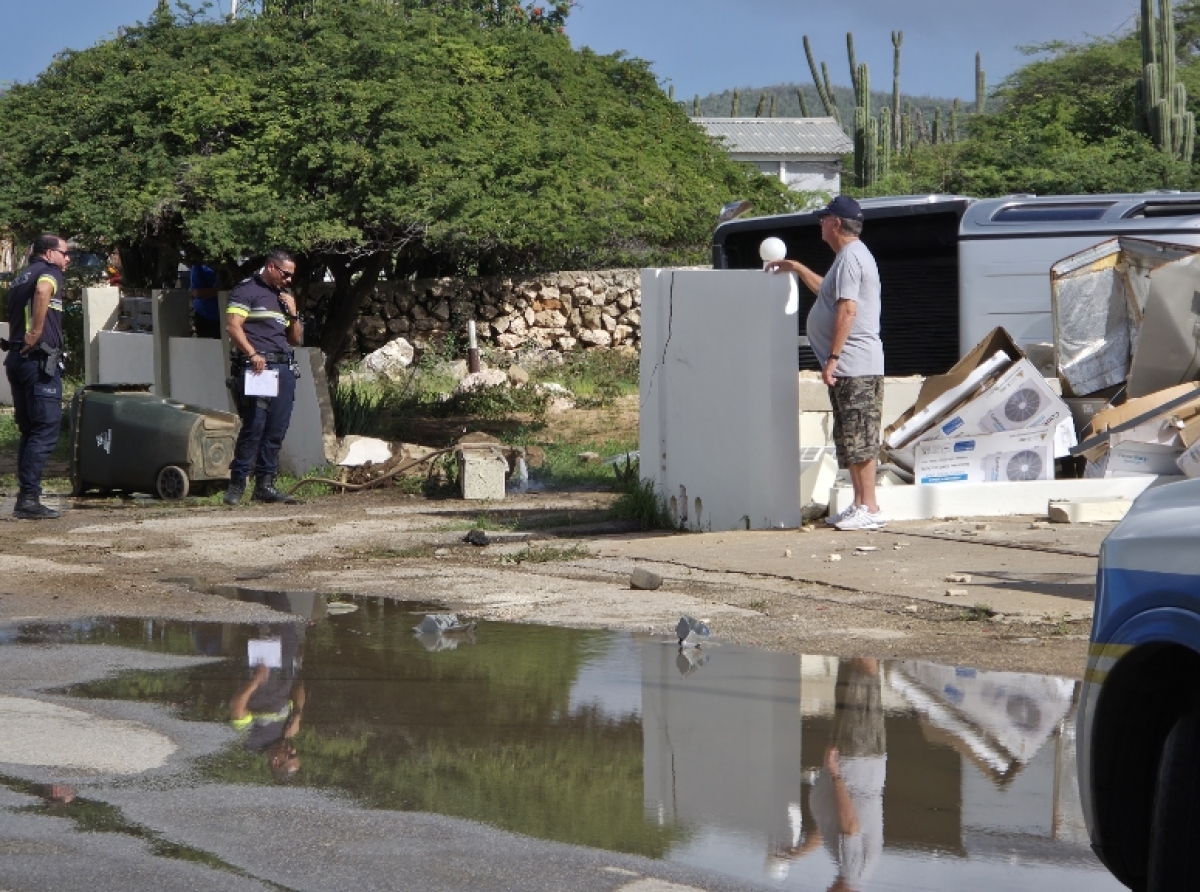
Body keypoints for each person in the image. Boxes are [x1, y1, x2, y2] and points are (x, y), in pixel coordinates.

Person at [766, 195, 885, 531]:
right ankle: (860, 503)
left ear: (835, 223)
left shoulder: (851, 258)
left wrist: (833, 358)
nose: (820, 224)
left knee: (861, 436)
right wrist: (799, 267)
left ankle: (871, 508)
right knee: (849, 436)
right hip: (851, 366)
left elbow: (848, 309)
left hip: (856, 364)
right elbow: (829, 294)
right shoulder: (846, 257)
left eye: (823, 219)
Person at [224, 249, 302, 506]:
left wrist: (293, 313)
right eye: (286, 274)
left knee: (276, 429)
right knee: (254, 426)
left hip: (283, 366)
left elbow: (295, 339)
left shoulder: (282, 297)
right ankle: (236, 484)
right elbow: (233, 326)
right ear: (271, 267)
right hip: (258, 367)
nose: (289, 280)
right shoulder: (247, 290)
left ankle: (265, 485)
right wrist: (252, 353)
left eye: (291, 275)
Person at [3, 234, 70, 520]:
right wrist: (36, 332)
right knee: (46, 428)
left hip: (17, 359)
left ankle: (26, 496)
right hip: (37, 361)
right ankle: (29, 498)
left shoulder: (21, 277)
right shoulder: (48, 273)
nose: (67, 259)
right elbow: (43, 292)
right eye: (64, 253)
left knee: (30, 431)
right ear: (48, 253)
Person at [188, 250, 221, 339]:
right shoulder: (199, 266)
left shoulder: (228, 263)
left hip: (228, 316)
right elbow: (197, 292)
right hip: (206, 316)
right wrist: (220, 292)